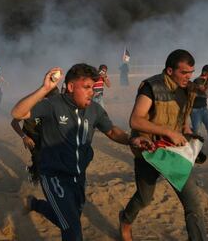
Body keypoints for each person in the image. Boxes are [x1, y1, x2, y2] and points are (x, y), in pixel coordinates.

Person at [11, 64, 153, 241]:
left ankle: (35, 204)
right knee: (72, 228)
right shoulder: (52, 105)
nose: (91, 92)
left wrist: (131, 140)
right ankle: (38, 205)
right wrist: (45, 88)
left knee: (68, 220)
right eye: (86, 87)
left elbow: (111, 131)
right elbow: (17, 112)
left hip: (78, 177)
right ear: (71, 87)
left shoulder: (95, 110)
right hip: (54, 176)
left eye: (93, 87)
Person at [119, 50, 207, 241]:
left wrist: (187, 132)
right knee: (145, 198)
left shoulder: (188, 89)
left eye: (191, 72)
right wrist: (168, 132)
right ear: (169, 70)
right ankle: (125, 220)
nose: (188, 77)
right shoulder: (151, 87)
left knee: (194, 205)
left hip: (175, 154)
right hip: (150, 151)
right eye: (184, 73)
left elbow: (182, 119)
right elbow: (135, 120)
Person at [10, 87, 60, 185]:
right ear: (46, 97)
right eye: (53, 99)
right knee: (38, 157)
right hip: (30, 135)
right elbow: (14, 123)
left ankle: (32, 169)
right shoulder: (32, 106)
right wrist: (24, 137)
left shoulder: (55, 105)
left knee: (48, 157)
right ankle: (35, 180)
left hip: (44, 134)